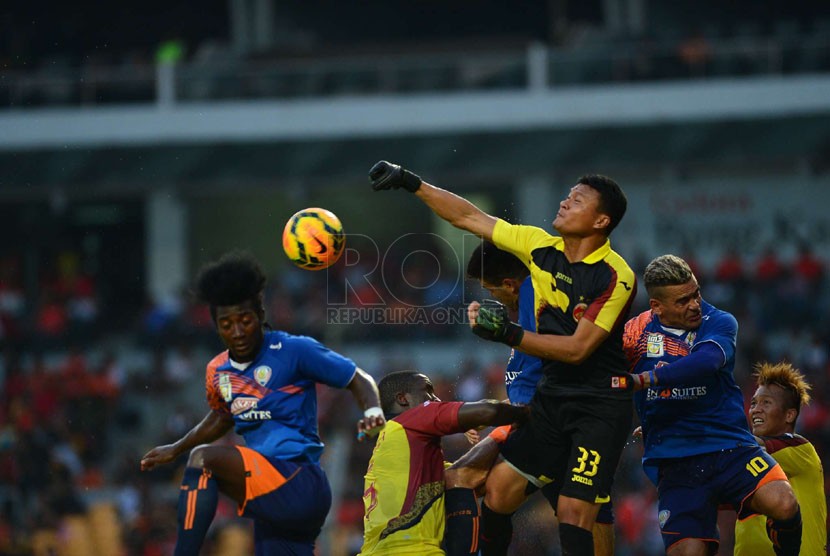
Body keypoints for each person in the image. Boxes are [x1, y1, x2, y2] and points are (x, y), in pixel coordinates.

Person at [370, 161, 636, 555]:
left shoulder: (617, 275)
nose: (564, 202)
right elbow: (468, 216)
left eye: (576, 200)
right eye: (567, 195)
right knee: (498, 492)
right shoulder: (538, 247)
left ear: (600, 221)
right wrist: (412, 183)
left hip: (597, 404)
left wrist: (508, 335)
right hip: (551, 400)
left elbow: (580, 349)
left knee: (575, 510)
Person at [140, 251, 386, 556]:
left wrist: (373, 410)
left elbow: (357, 378)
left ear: (259, 314)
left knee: (203, 461)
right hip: (270, 494)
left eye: (245, 320)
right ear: (216, 326)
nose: (238, 331)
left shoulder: (294, 349)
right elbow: (221, 417)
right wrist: (175, 448)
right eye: (227, 324)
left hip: (298, 479)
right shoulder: (218, 370)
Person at [443, 241, 615, 556]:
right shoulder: (530, 301)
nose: (493, 297)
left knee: (463, 479)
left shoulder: (534, 295)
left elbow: (556, 357)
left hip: (545, 418)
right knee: (581, 514)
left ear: (509, 283)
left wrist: (504, 333)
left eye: (492, 290)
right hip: (540, 417)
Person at [623, 254, 802, 556]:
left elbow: (707, 362)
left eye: (696, 294)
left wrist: (645, 380)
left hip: (728, 446)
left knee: (784, 502)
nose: (694, 305)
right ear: (657, 306)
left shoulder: (718, 320)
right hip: (676, 461)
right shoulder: (633, 333)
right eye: (682, 301)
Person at [358, 370, 529, 556]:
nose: (436, 399)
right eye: (428, 392)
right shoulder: (408, 421)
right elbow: (489, 411)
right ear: (403, 399)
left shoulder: (398, 448)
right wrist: (530, 408)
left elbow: (468, 479)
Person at [734, 361, 826, 555]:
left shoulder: (801, 450)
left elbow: (749, 446)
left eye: (766, 403)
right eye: (753, 403)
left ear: (789, 415)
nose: (755, 410)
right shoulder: (743, 461)